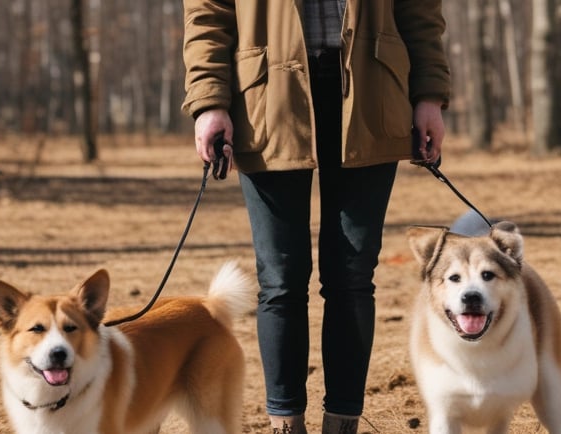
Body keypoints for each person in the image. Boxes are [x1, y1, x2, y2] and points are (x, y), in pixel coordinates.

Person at [182, 1, 450, 432]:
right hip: (267, 97)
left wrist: (429, 95)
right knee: (280, 278)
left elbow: (420, 11)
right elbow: (207, 15)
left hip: (371, 92)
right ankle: (286, 424)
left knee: (352, 274)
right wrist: (209, 102)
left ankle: (342, 422)